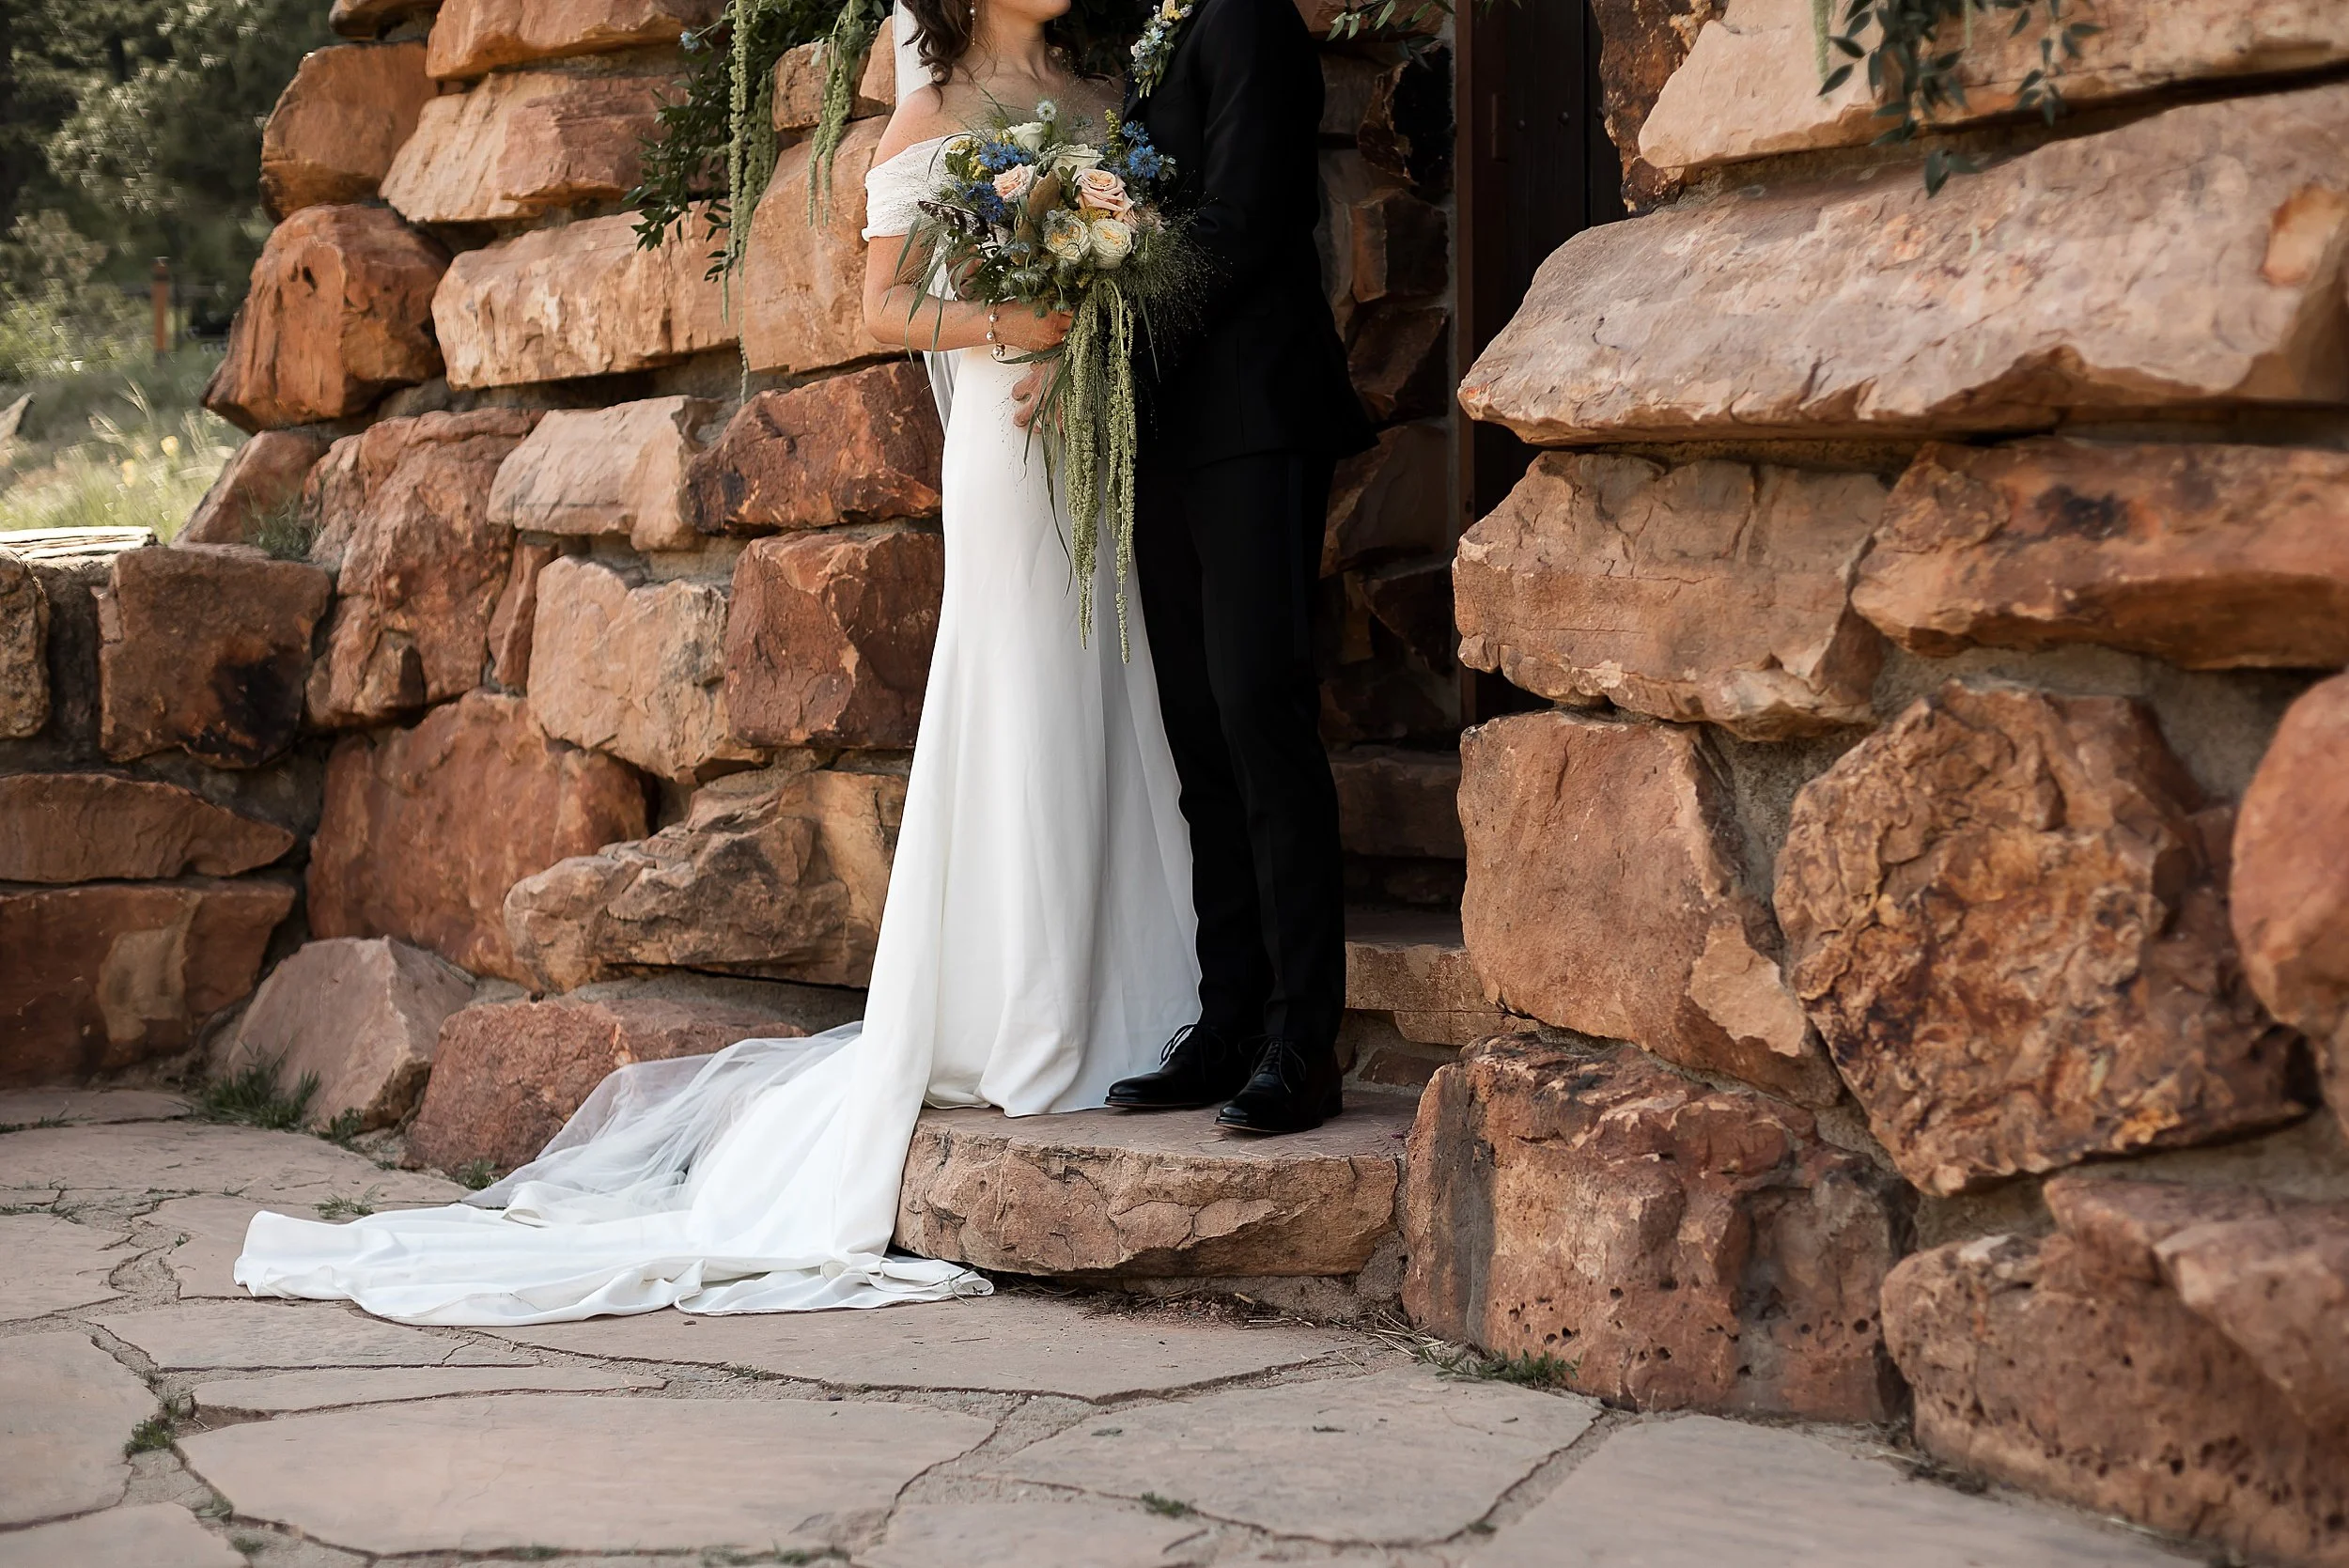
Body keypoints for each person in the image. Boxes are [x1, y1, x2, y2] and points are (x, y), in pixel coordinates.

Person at [230, 0, 1207, 1326]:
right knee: (1023, 692)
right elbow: (886, 298)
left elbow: (1127, 254)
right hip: (1004, 436)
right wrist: (1011, 329)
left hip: (1096, 438)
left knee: (1106, 679)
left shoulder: (1098, 92)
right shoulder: (931, 112)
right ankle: (1028, 1015)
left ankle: (1125, 993)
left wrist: (1101, 292)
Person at [1087, 0, 1376, 1132]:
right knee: (1199, 731)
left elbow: (1246, 219)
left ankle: (1305, 1042)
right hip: (1163, 426)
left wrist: (1104, 329)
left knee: (1260, 711)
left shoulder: (1249, 18)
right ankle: (1227, 1024)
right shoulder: (1158, 31)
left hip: (1254, 412)